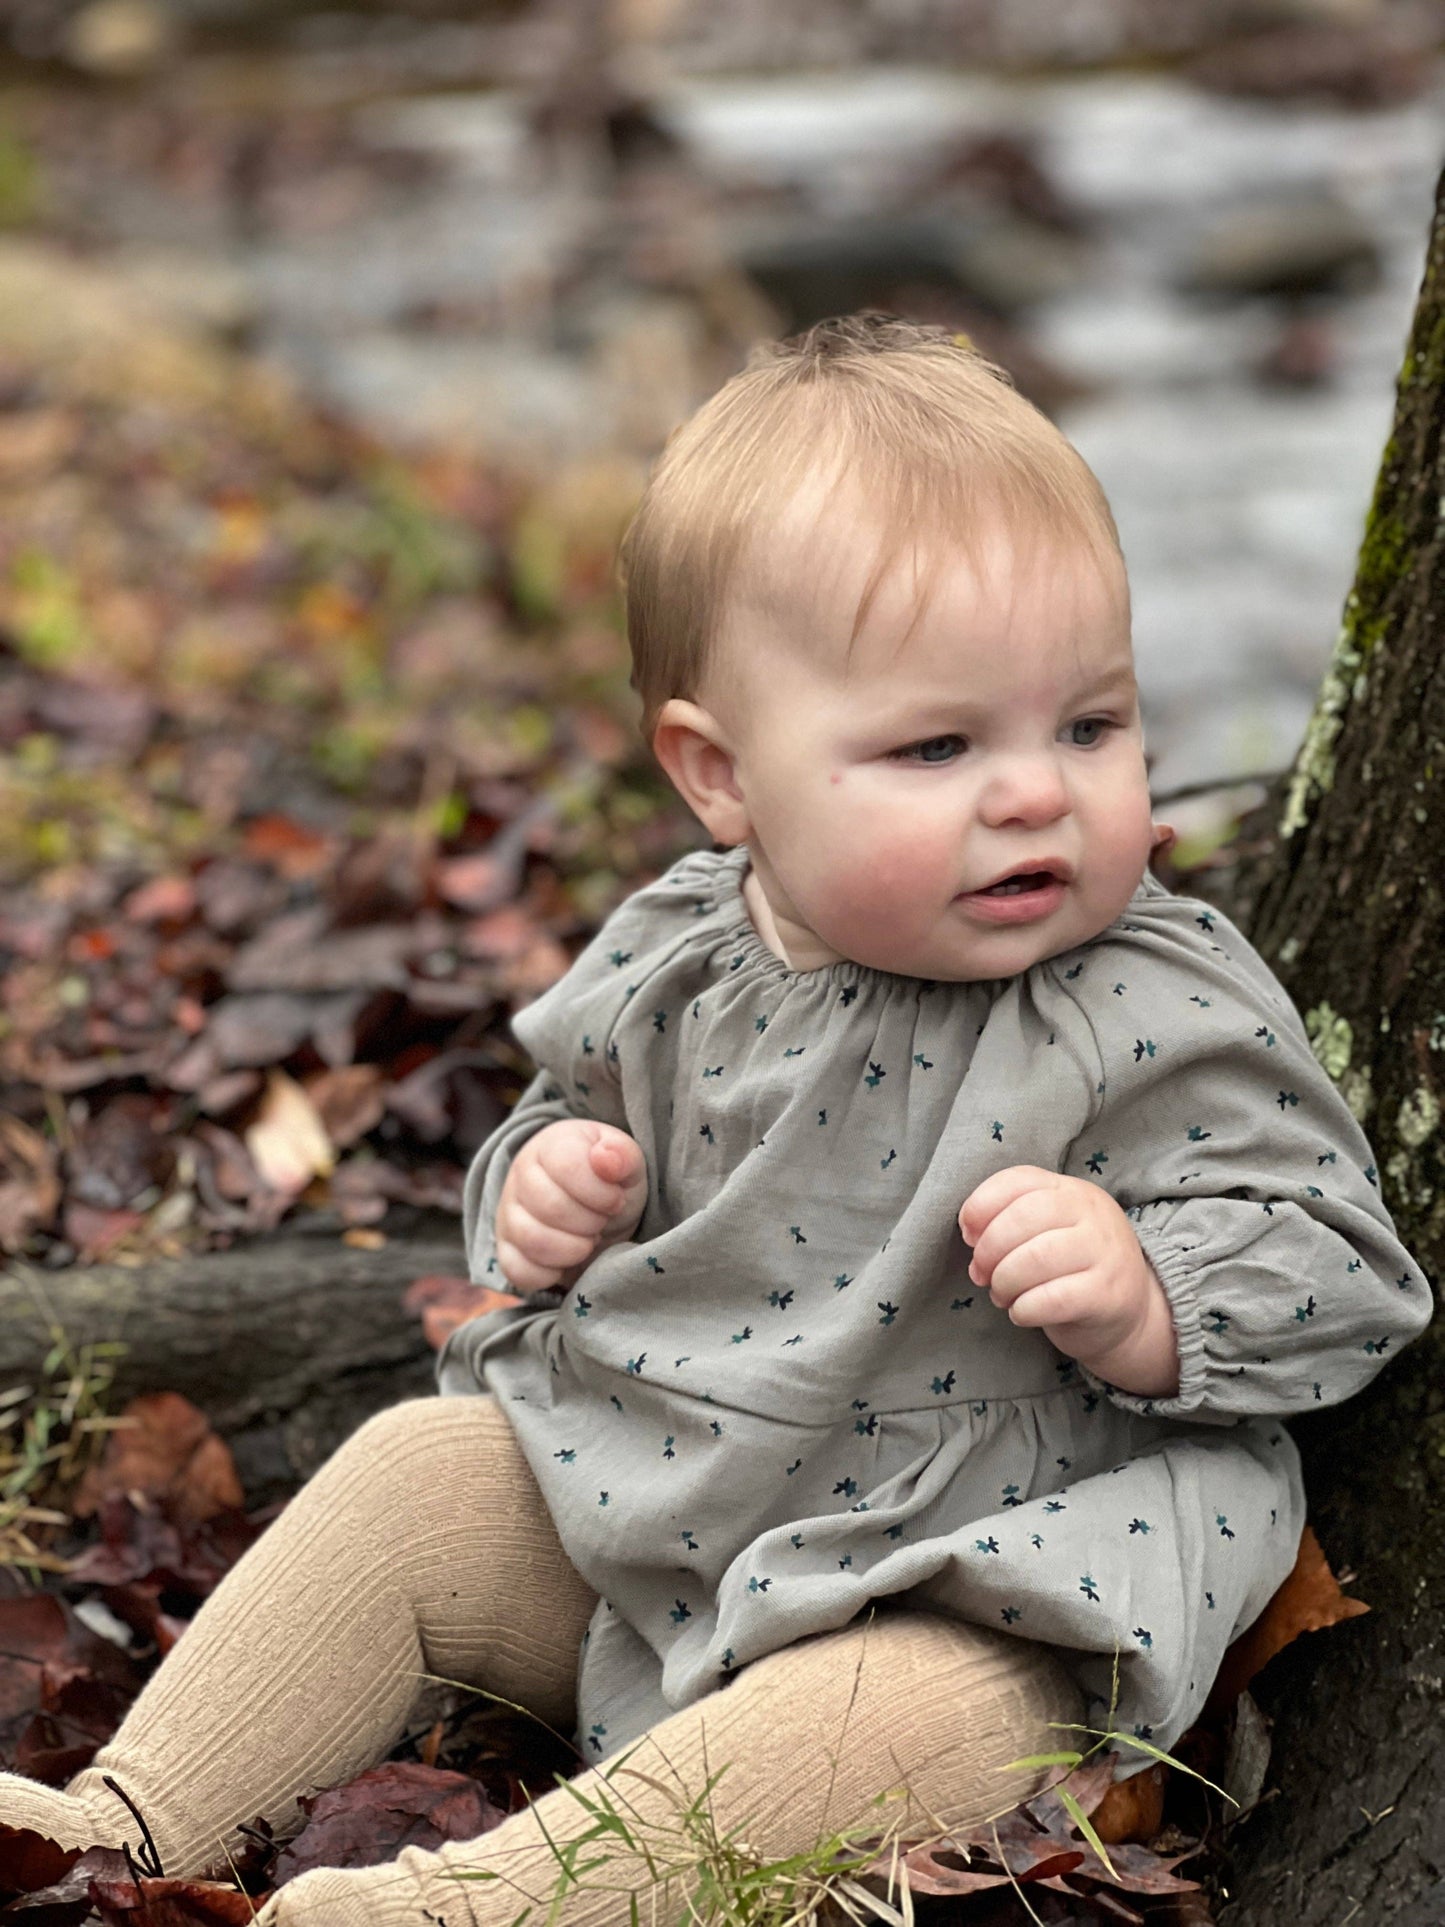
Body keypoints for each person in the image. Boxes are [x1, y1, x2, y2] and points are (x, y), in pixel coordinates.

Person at [1, 315, 1431, 1924]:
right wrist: (537, 1191)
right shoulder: (684, 956)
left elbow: (1340, 1268)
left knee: (865, 1725)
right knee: (420, 1474)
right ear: (721, 776)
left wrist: (1153, 1299)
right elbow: (559, 1119)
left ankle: (481, 1909)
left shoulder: (1145, 992)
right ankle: (116, 1824)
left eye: (1087, 725)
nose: (1035, 791)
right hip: (676, 1493)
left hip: (998, 1566)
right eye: (939, 745)